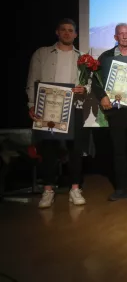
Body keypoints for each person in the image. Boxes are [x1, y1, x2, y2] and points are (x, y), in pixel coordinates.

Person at [26, 18, 87, 208]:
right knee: (49, 150)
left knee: (75, 150)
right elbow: (32, 79)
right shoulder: (42, 53)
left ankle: (75, 189)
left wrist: (84, 89)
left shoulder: (83, 57)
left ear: (76, 34)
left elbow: (90, 82)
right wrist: (32, 104)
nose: (67, 33)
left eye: (71, 30)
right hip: (48, 107)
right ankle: (48, 190)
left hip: (74, 107)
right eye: (64, 30)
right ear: (57, 32)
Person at [92, 23, 127, 202]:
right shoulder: (106, 56)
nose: (124, 36)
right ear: (115, 37)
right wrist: (102, 96)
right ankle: (121, 188)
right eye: (120, 34)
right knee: (118, 151)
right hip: (115, 111)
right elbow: (96, 81)